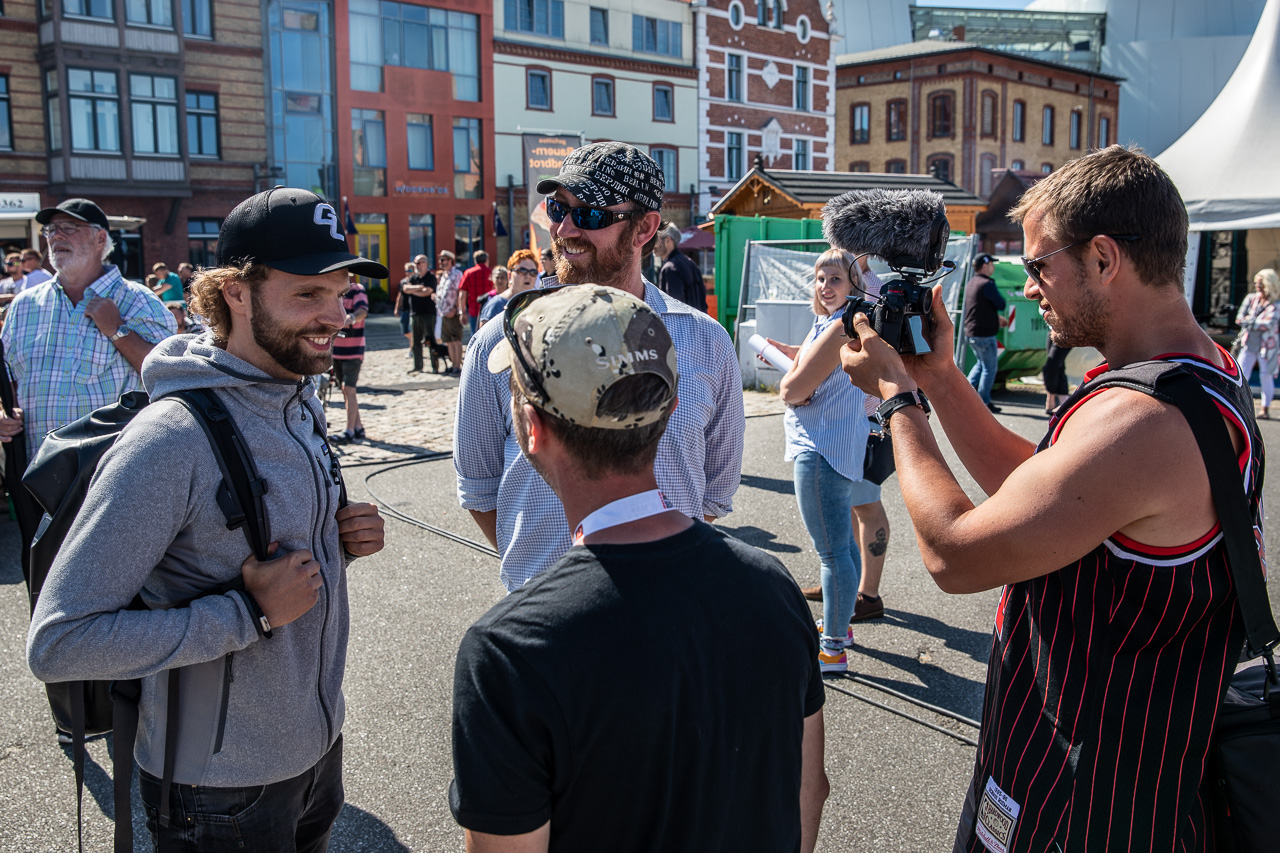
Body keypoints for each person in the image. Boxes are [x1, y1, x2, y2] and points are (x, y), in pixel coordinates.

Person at [838, 146, 1264, 852]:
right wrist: (941, 379)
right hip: (1105, 783)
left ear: (1103, 258)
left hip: (1084, 807)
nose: (1030, 286)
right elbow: (1041, 489)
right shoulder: (1196, 375)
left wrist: (897, 400)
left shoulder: (1145, 422)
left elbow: (953, 553)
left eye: (1041, 265)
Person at [27, 186, 387, 852]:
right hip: (216, 796)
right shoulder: (170, 440)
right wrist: (245, 614)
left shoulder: (296, 398)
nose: (335, 315)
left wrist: (338, 538)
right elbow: (58, 642)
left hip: (315, 757)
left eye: (340, 292)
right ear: (237, 293)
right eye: (308, 294)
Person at [450, 284, 828, 852]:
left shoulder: (510, 651)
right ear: (671, 409)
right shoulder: (773, 586)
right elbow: (809, 788)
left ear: (533, 430)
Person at [455, 141, 745, 591]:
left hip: (673, 604)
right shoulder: (501, 339)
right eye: (558, 208)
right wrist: (557, 582)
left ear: (644, 228)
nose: (565, 229)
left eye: (589, 214)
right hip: (545, 617)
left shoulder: (704, 342)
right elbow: (479, 487)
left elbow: (712, 491)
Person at [767, 249, 882, 673]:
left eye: (835, 278)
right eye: (819, 278)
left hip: (820, 449)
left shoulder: (840, 325)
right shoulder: (839, 323)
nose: (825, 286)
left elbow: (793, 391)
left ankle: (832, 648)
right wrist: (791, 355)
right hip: (834, 445)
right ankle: (841, 626)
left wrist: (789, 381)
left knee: (833, 554)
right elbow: (816, 367)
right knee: (844, 546)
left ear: (854, 284)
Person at [0, 198, 176, 464]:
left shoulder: (139, 301)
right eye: (50, 230)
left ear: (100, 238)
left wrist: (118, 330)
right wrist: (3, 412)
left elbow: (170, 378)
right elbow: (8, 378)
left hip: (115, 476)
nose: (56, 235)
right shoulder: (24, 305)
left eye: (69, 227)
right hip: (36, 478)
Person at [962, 253, 1008, 413]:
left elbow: (979, 307)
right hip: (984, 334)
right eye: (991, 264)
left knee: (981, 364)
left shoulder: (972, 282)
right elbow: (1001, 303)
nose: (993, 267)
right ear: (985, 265)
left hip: (971, 332)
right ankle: (984, 403)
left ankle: (964, 396)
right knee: (989, 367)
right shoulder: (987, 284)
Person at [1233, 267, 1280, 418]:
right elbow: (1239, 319)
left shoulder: (1275, 303)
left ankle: (1265, 409)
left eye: (1260, 283)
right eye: (1256, 283)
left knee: (1266, 376)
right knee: (1240, 373)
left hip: (1267, 346)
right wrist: (1254, 322)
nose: (1257, 286)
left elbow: (1269, 324)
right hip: (1248, 343)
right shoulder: (1251, 298)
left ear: (1269, 284)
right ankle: (1238, 404)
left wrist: (1250, 321)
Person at [331, 273, 369, 443]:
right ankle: (358, 427)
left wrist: (351, 318)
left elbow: (363, 311)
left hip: (353, 349)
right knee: (346, 391)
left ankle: (349, 430)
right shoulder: (333, 292)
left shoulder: (356, 290)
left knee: (349, 389)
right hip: (336, 349)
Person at [654, 222, 707, 312]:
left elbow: (674, 309)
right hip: (699, 323)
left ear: (668, 241)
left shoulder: (670, 268)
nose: (653, 245)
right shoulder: (691, 263)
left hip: (683, 324)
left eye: (656, 240)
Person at [479, 249, 539, 327]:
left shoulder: (538, 303)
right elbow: (483, 337)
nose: (528, 276)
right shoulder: (495, 305)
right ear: (509, 276)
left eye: (533, 272)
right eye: (522, 271)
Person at [403, 254, 440, 374]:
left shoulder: (431, 277)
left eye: (420, 263)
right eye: (416, 263)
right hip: (415, 313)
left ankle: (435, 366)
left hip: (428, 313)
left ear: (426, 263)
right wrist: (418, 288)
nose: (417, 265)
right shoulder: (414, 278)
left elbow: (427, 292)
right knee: (416, 341)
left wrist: (414, 291)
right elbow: (405, 289)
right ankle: (418, 366)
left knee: (431, 341)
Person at [436, 249, 463, 375]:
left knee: (456, 340)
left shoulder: (456, 274)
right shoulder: (443, 275)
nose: (440, 262)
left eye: (443, 260)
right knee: (449, 341)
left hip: (453, 312)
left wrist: (455, 308)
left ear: (450, 260)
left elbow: (460, 292)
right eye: (440, 260)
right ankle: (453, 365)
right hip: (443, 312)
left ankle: (458, 365)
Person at [456, 250, 491, 336]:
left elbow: (462, 295)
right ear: (487, 260)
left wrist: (462, 312)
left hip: (474, 310)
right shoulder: (492, 273)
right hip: (490, 310)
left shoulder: (469, 273)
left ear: (475, 260)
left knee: (475, 336)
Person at [1042, 341, 1072, 414]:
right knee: (1059, 367)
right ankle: (1064, 404)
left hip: (1065, 332)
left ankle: (1053, 402)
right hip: (1052, 331)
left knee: (1051, 367)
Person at [395, 261, 414, 354]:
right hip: (405, 309)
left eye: (410, 270)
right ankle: (414, 340)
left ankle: (412, 348)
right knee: (405, 330)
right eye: (406, 270)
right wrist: (396, 308)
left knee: (411, 329)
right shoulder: (403, 282)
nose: (408, 272)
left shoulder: (415, 281)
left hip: (413, 309)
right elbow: (400, 296)